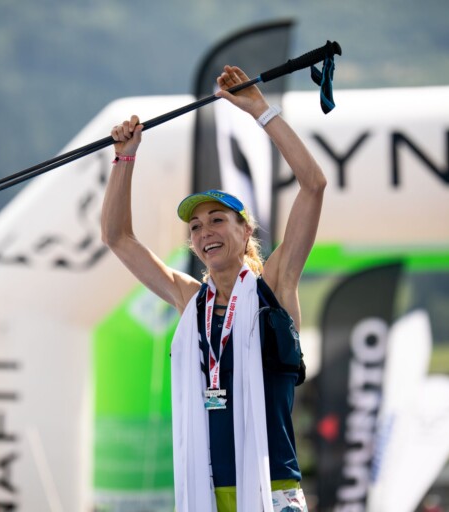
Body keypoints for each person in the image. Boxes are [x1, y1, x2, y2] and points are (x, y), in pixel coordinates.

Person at [101, 64, 327, 512]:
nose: (205, 231)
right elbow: (117, 237)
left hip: (274, 489)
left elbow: (313, 185)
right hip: (206, 494)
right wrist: (124, 158)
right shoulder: (189, 300)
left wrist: (260, 111)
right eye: (196, 226)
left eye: (218, 220)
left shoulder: (274, 287)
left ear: (246, 232)